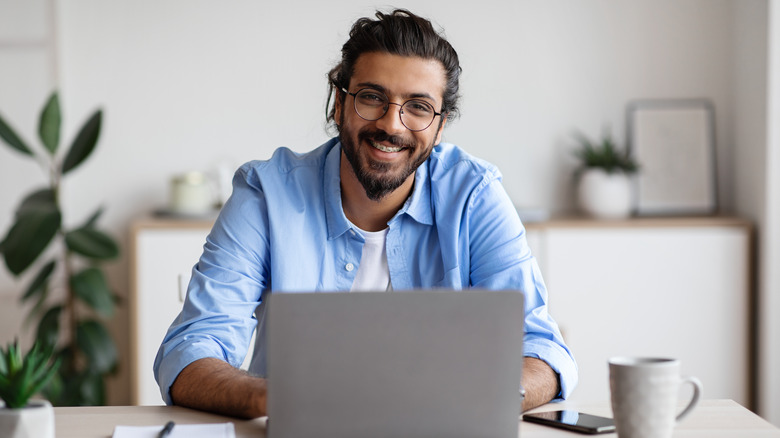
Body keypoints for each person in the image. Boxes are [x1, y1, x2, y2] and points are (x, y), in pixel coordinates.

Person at [154, 8, 577, 419]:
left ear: (440, 125)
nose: (392, 124)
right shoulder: (267, 195)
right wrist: (272, 396)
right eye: (373, 98)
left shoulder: (475, 195)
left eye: (418, 107)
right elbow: (190, 349)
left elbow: (543, 350)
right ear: (339, 103)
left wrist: (482, 398)